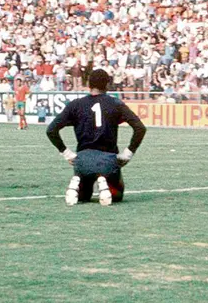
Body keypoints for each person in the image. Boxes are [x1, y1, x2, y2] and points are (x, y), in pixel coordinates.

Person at [46, 69, 146, 206]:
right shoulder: (116, 104)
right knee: (116, 195)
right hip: (108, 160)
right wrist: (127, 154)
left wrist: (66, 153)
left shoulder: (75, 105)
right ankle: (103, 181)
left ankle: (77, 182)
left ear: (88, 84)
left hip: (83, 160)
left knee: (83, 197)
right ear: (107, 85)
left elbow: (51, 130)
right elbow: (140, 128)